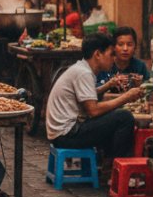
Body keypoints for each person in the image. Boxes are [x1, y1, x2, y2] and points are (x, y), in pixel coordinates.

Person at [47, 33, 145, 167]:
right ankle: (116, 167)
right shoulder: (84, 73)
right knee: (124, 117)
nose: (113, 58)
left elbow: (87, 95)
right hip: (66, 135)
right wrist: (126, 97)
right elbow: (93, 110)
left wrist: (108, 85)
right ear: (98, 54)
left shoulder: (82, 68)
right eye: (111, 54)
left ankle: (107, 163)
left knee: (114, 116)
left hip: (62, 132)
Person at [96, 26, 152, 92]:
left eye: (129, 44)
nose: (125, 49)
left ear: (135, 46)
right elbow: (93, 90)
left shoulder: (140, 66)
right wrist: (109, 84)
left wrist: (140, 84)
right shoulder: (104, 65)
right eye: (120, 44)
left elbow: (149, 88)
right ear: (113, 47)